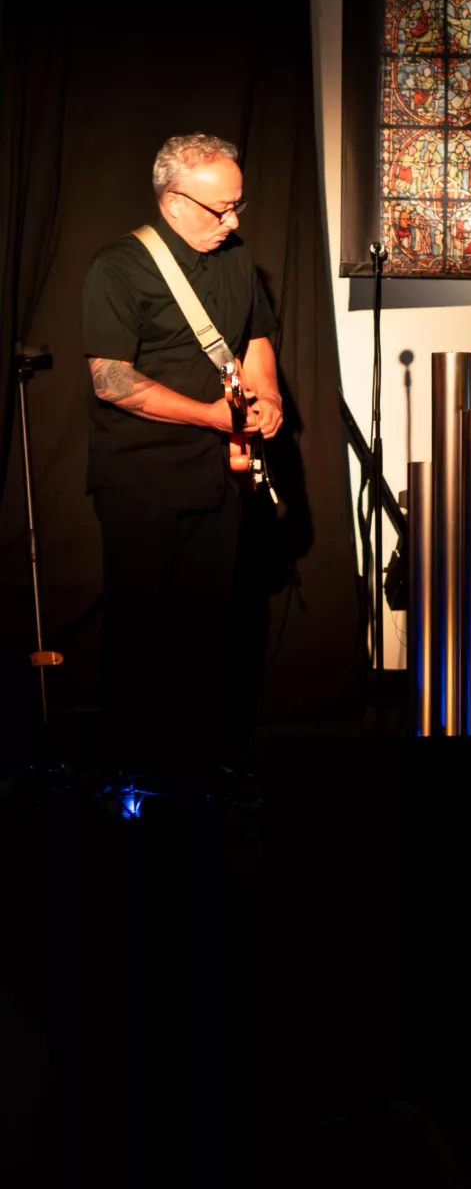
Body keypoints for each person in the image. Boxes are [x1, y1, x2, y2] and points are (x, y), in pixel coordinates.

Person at [81, 132, 282, 782]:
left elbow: (255, 336)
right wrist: (210, 415)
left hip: (218, 475)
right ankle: (131, 774)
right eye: (220, 208)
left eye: (238, 205)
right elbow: (111, 380)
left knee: (208, 628)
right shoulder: (117, 267)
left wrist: (269, 395)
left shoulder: (235, 257)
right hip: (140, 475)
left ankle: (198, 769)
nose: (233, 221)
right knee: (141, 630)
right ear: (173, 201)